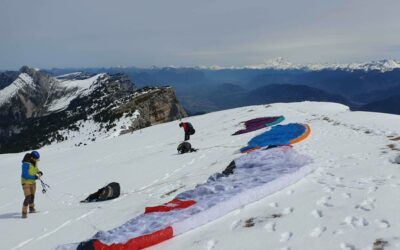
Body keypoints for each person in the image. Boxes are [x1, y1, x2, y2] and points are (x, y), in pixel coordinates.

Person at [21, 151, 43, 219]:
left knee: (32, 196)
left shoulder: (34, 162)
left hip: (33, 182)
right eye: (36, 159)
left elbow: (35, 169)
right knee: (28, 197)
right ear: (32, 157)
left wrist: (39, 172)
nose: (37, 160)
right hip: (26, 182)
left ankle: (31, 208)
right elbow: (25, 175)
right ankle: (24, 213)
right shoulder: (25, 164)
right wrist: (35, 177)